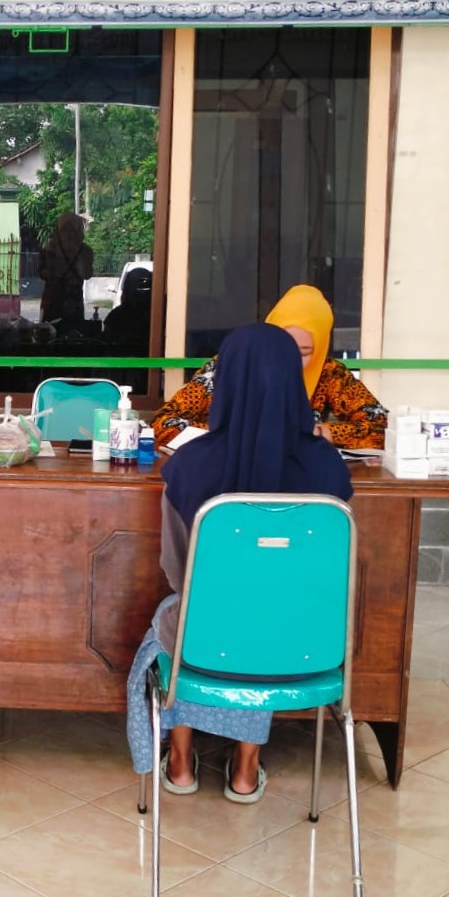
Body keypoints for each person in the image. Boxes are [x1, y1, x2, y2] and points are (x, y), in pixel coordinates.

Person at [127, 323, 353, 802]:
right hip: (305, 647)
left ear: (224, 381)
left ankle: (181, 761)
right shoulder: (329, 468)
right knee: (270, 614)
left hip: (207, 644)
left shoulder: (189, 466)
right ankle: (246, 769)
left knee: (185, 614)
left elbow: (177, 572)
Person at [152, 284, 387, 450]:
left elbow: (380, 428)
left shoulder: (329, 374)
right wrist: (233, 435)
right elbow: (164, 424)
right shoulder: (232, 366)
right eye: (281, 346)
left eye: (304, 353)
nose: (289, 360)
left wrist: (318, 432)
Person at [39, 211, 94, 326]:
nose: (69, 233)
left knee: (49, 332)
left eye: (72, 229)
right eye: (66, 229)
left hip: (54, 301)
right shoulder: (85, 251)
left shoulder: (48, 251)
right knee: (73, 332)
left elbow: (41, 273)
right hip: (70, 301)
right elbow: (87, 274)